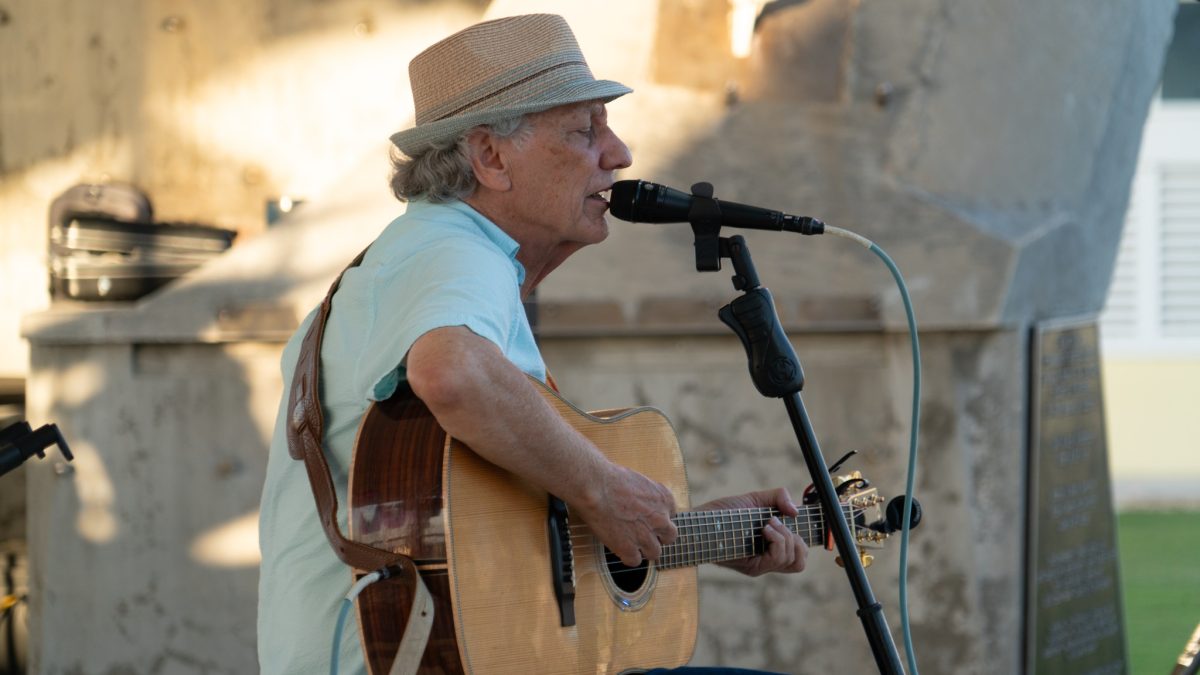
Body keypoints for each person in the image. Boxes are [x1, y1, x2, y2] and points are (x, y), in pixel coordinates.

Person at [257, 13, 807, 675]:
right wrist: (604, 489)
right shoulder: (454, 250)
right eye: (585, 130)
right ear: (491, 157)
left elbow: (501, 544)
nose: (620, 154)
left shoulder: (433, 256)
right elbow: (451, 373)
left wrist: (690, 529)